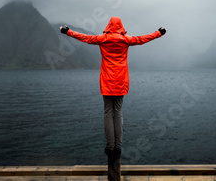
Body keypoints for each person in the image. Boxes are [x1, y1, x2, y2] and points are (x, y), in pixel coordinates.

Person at [60, 16, 166, 180]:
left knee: (107, 112)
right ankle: (118, 146)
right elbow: (143, 39)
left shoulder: (102, 39)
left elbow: (83, 38)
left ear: (109, 26)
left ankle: (110, 146)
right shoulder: (126, 40)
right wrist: (159, 33)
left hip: (107, 81)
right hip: (121, 80)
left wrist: (67, 32)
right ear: (121, 27)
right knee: (118, 112)